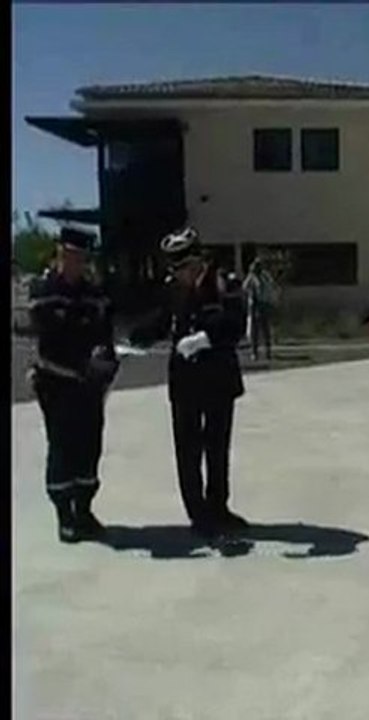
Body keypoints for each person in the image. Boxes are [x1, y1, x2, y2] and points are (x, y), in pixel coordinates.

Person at [129, 228, 248, 540]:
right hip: (186, 382)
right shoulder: (172, 289)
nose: (180, 275)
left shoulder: (224, 284)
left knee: (217, 448)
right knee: (188, 450)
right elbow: (161, 320)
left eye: (184, 268)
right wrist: (138, 336)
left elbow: (236, 324)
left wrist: (205, 338)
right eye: (176, 270)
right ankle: (198, 514)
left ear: (197, 262)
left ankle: (218, 507)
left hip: (219, 377)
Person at [28, 227, 119, 543]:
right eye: (69, 256)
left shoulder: (94, 294)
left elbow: (104, 334)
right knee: (62, 448)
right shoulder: (44, 290)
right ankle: (64, 515)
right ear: (59, 255)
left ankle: (84, 508)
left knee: (89, 447)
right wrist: (85, 351)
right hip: (57, 383)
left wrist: (105, 361)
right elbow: (53, 336)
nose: (75, 262)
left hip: (89, 387)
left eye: (80, 257)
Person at [242, 257, 277, 362]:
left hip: (264, 304)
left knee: (266, 329)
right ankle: (254, 352)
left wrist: (271, 301)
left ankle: (268, 352)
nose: (257, 268)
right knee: (254, 330)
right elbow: (244, 287)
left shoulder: (265, 277)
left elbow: (270, 287)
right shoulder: (251, 278)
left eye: (259, 266)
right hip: (254, 305)